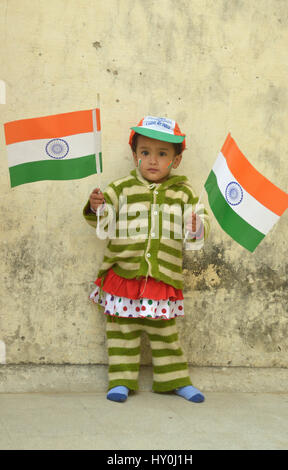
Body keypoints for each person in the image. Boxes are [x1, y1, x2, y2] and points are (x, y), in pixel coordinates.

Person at [83, 116, 210, 403]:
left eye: (162, 153)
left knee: (165, 334)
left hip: (161, 279)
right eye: (145, 152)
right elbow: (103, 223)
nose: (152, 160)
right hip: (123, 277)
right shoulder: (120, 188)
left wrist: (197, 226)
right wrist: (97, 208)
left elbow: (200, 221)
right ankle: (121, 381)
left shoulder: (184, 193)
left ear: (175, 161)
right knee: (121, 333)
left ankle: (174, 380)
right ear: (135, 156)